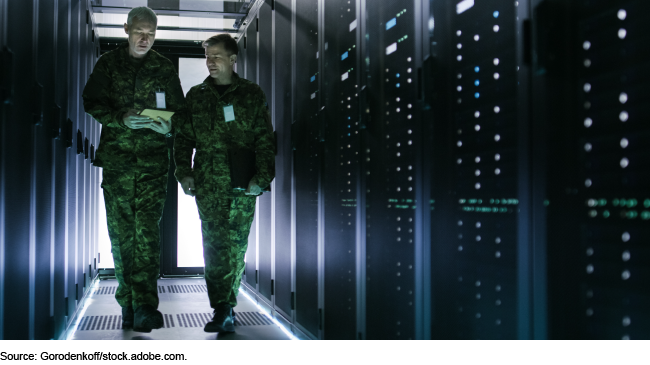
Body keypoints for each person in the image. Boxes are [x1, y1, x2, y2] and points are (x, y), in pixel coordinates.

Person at [82, 6, 185, 332]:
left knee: (147, 235)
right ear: (127, 28)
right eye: (140, 31)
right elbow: (91, 101)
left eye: (151, 33)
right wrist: (119, 118)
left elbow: (179, 114)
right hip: (118, 163)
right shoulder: (108, 64)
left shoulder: (164, 68)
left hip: (154, 165)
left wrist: (164, 125)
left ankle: (145, 306)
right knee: (122, 236)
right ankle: (127, 302)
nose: (145, 38)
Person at [174, 34, 275, 333]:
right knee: (215, 245)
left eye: (216, 56)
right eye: (207, 56)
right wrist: (184, 172)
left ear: (233, 60)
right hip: (208, 182)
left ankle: (227, 305)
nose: (210, 61)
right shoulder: (196, 96)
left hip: (244, 183)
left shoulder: (251, 94)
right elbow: (183, 139)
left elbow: (264, 139)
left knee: (236, 247)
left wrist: (262, 176)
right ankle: (222, 308)